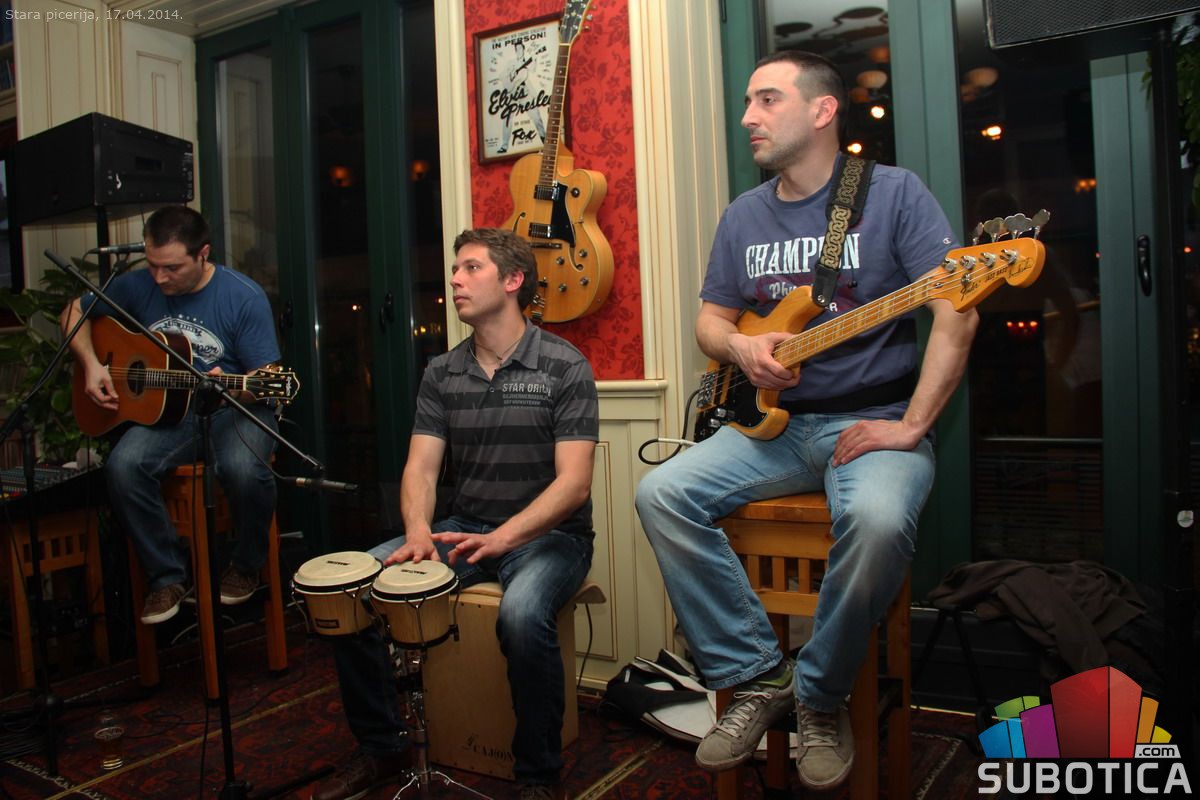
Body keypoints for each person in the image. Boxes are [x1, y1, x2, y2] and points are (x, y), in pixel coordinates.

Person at [635, 51, 979, 791]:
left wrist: (912, 427)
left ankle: (820, 695)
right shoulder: (743, 214)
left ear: (822, 111)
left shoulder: (893, 195)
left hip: (874, 422)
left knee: (878, 522)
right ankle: (758, 675)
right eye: (747, 101)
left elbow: (957, 310)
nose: (747, 117)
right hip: (775, 429)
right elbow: (710, 322)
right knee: (660, 493)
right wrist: (741, 347)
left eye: (766, 100)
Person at [311, 228, 597, 800]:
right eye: (456, 268)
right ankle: (383, 747)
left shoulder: (564, 365)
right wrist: (419, 531)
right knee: (350, 591)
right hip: (465, 528)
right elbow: (420, 469)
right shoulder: (442, 371)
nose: (455, 279)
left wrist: (505, 538)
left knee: (521, 615)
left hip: (552, 538)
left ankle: (538, 775)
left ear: (513, 280)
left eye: (470, 268)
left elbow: (574, 483)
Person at [61, 205, 280, 625]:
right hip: (171, 414)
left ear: (203, 254)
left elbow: (267, 379)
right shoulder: (138, 284)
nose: (160, 278)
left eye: (172, 268)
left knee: (241, 469)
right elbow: (74, 312)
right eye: (153, 265)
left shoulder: (243, 296)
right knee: (123, 466)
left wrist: (234, 386)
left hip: (235, 408)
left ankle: (245, 567)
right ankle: (167, 577)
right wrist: (91, 364)